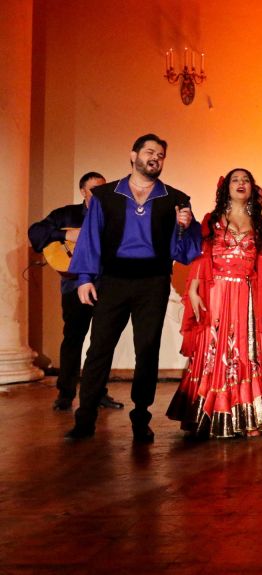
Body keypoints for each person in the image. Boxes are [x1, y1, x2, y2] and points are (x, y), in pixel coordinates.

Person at [64, 134, 201, 442]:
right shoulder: (105, 195)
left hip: (153, 282)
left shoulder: (175, 198)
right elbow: (91, 237)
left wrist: (186, 225)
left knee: (147, 350)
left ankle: (141, 417)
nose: (155, 158)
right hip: (113, 280)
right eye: (150, 151)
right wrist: (85, 278)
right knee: (99, 349)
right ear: (133, 155)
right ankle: (85, 418)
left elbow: (185, 253)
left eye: (161, 155)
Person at [166, 169, 262, 437]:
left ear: (252, 188)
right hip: (216, 293)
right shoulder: (211, 220)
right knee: (213, 349)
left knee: (247, 351)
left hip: (247, 295)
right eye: (235, 179)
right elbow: (202, 257)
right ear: (226, 188)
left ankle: (249, 416)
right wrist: (194, 290)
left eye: (246, 180)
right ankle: (208, 413)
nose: (241, 183)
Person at [28, 172, 123, 412]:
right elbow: (36, 233)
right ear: (83, 191)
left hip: (107, 285)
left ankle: (98, 393)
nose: (99, 194)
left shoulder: (115, 215)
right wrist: (65, 234)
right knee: (73, 338)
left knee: (103, 342)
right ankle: (65, 393)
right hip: (74, 286)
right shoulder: (67, 214)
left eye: (103, 190)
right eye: (94, 190)